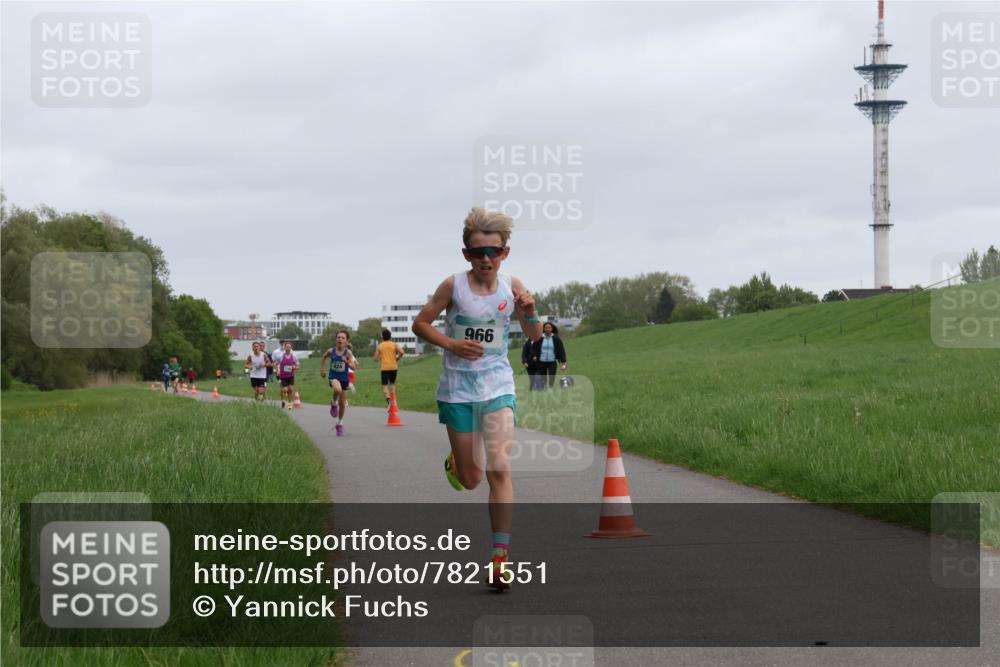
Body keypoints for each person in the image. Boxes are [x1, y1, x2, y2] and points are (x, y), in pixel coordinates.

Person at [411, 207, 541, 590]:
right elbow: (420, 323)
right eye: (478, 253)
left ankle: (500, 559)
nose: (486, 259)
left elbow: (533, 336)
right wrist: (451, 343)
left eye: (494, 252)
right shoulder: (453, 286)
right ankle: (458, 463)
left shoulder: (512, 286)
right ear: (466, 254)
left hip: (498, 385)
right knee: (471, 479)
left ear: (505, 253)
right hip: (457, 389)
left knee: (500, 468)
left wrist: (531, 313)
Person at [319, 330, 357, 436]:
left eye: (343, 338)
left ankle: (339, 424)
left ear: (346, 341)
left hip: (344, 378)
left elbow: (354, 366)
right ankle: (333, 403)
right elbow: (324, 357)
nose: (340, 339)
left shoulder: (348, 353)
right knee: (337, 389)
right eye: (338, 337)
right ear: (336, 339)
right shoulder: (332, 351)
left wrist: (347, 362)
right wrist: (322, 370)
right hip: (333, 377)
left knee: (343, 404)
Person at [373, 329, 405, 407]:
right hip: (394, 367)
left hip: (384, 368)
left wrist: (381, 356)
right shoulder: (394, 344)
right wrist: (397, 358)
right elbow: (402, 352)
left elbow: (375, 359)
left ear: (382, 337)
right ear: (390, 336)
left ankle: (388, 399)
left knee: (385, 385)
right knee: (393, 384)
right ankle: (394, 401)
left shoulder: (380, 346)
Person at [535, 322, 567, 390]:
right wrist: (534, 356)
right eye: (546, 328)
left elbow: (561, 350)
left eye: (549, 328)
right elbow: (535, 348)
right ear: (544, 329)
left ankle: (550, 387)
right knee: (543, 377)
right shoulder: (540, 338)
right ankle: (544, 388)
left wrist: (564, 362)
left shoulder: (556, 339)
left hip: (552, 361)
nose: (547, 329)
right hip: (542, 361)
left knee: (552, 376)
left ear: (552, 329)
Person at [275, 340, 300, 410]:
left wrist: (295, 367)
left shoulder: (294, 356)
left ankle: (289, 403)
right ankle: (283, 400)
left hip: (291, 376)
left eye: (289, 347)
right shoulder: (281, 356)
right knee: (285, 390)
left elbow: (298, 366)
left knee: (291, 390)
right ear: (284, 348)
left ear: (291, 348)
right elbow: (275, 364)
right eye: (286, 347)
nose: (288, 348)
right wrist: (277, 371)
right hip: (283, 376)